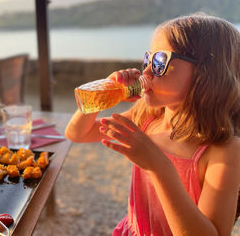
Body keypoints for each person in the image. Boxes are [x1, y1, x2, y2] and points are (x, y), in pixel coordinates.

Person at [65, 13, 240, 236]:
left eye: (160, 63)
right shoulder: (149, 116)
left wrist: (157, 166)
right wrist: (106, 91)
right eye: (148, 60)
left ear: (206, 73)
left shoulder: (223, 149)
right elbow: (77, 133)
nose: (145, 72)